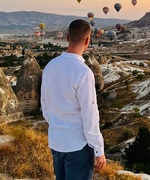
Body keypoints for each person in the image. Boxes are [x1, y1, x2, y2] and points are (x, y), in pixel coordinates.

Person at [41, 19, 106, 180]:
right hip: (78, 145)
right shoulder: (83, 72)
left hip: (56, 141)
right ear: (87, 40)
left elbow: (45, 105)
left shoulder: (50, 66)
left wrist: (58, 125)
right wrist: (99, 149)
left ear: (67, 37)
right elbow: (89, 114)